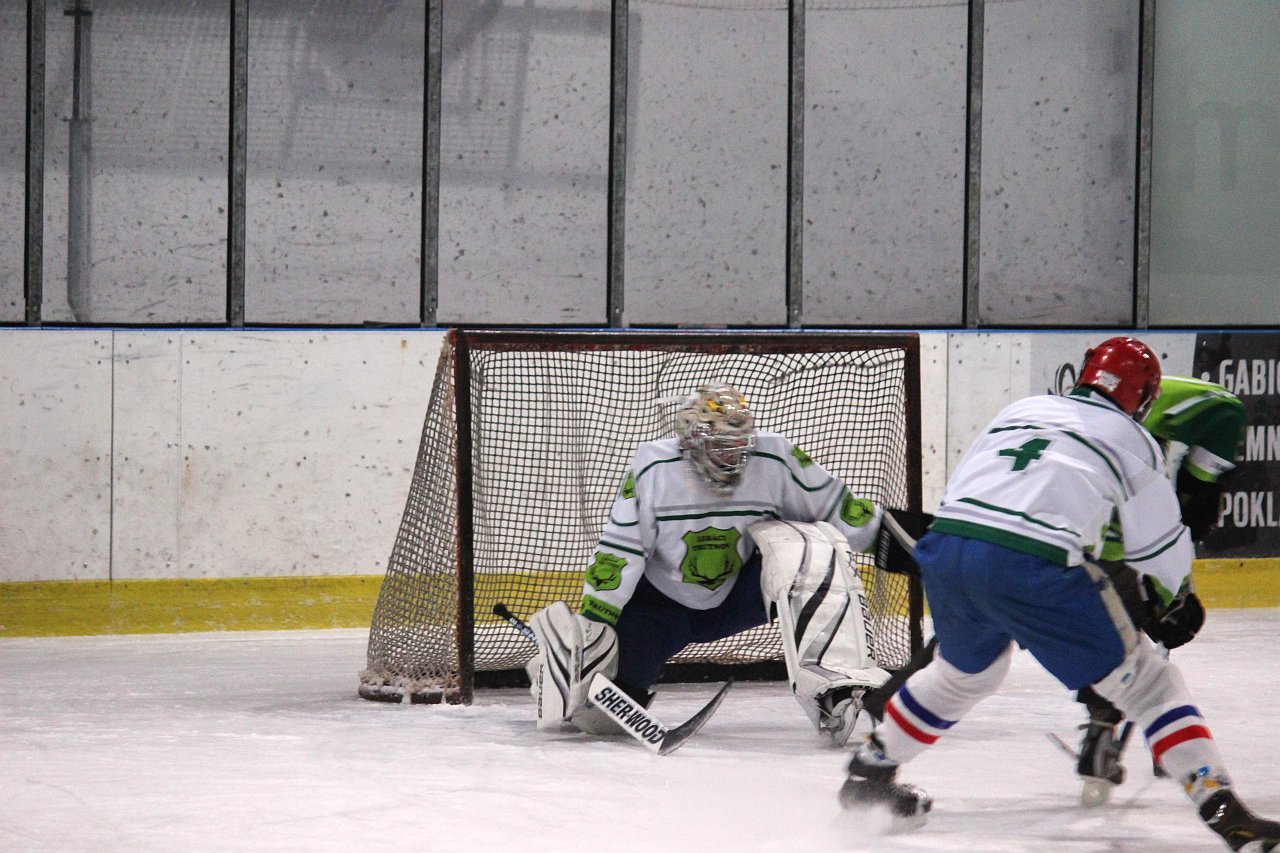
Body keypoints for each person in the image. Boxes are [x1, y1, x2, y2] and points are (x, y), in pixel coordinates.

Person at [837, 336, 1279, 851]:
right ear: (1144, 399)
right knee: (1152, 686)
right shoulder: (1134, 438)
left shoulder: (1022, 408)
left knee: (963, 675)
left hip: (948, 549)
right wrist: (1174, 596)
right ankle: (1227, 815)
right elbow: (1159, 548)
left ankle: (868, 774)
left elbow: (966, 489)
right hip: (1032, 564)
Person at [523, 382, 892, 745]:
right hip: (658, 612)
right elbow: (621, 548)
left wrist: (900, 542)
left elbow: (835, 509)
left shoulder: (774, 457)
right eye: (720, 445)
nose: (731, 455)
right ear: (691, 440)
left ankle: (836, 684)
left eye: (738, 445)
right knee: (599, 721)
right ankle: (551, 673)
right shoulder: (655, 467)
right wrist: (595, 622)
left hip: (737, 599)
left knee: (813, 545)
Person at [1075, 374, 1247, 802]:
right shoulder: (1125, 426)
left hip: (1095, 534)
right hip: (1116, 530)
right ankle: (1115, 732)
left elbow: (1182, 505)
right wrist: (1171, 594)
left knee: (1122, 626)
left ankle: (1102, 731)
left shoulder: (1098, 417)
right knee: (1146, 621)